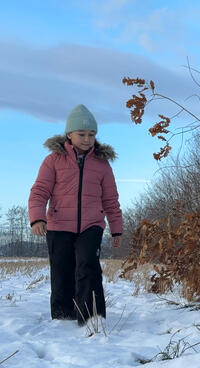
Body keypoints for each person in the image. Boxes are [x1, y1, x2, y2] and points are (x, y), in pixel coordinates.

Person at [29, 104, 123, 325]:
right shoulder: (53, 160)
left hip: (91, 225)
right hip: (58, 225)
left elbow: (110, 199)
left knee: (88, 266)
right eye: (82, 134)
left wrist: (116, 229)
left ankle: (91, 317)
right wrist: (37, 218)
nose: (87, 139)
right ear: (69, 135)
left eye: (91, 134)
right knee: (62, 270)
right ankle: (63, 317)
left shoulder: (102, 164)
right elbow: (40, 190)